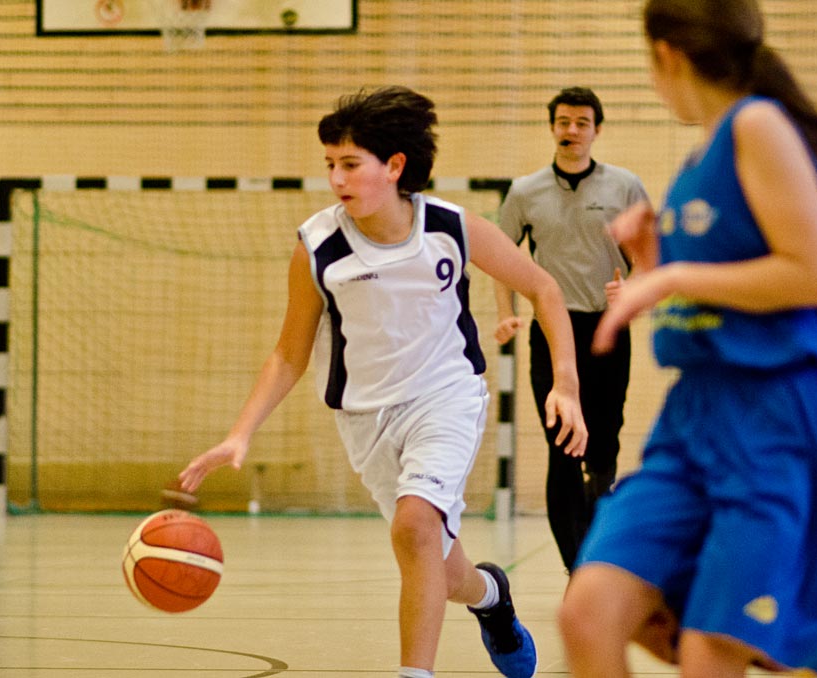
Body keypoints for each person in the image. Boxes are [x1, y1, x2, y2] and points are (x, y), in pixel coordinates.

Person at [177, 85, 588, 678]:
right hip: (366, 421)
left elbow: (543, 288)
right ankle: (490, 596)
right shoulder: (318, 247)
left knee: (415, 525)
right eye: (330, 164)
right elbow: (289, 355)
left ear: (395, 166)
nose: (336, 178)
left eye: (350, 164)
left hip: (446, 398)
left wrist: (565, 383)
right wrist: (239, 434)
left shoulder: (450, 227)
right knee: (441, 569)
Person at [556, 0, 817, 675]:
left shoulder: (756, 123)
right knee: (589, 611)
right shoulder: (703, 150)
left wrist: (670, 277)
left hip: (773, 414)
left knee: (706, 651)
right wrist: (654, 262)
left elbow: (815, 276)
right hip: (694, 417)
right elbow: (724, 284)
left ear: (665, 55)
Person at [493, 86, 649, 574]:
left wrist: (633, 290)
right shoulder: (525, 191)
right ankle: (576, 567)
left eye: (582, 123)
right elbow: (501, 259)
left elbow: (651, 254)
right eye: (563, 122)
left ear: (596, 130)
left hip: (607, 330)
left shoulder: (624, 186)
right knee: (562, 446)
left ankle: (597, 539)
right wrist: (505, 312)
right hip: (551, 332)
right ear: (552, 127)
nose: (572, 131)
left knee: (602, 445)